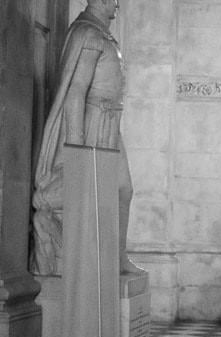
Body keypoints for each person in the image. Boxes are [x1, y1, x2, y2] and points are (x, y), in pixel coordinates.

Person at [32, 0, 140, 275]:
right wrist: (76, 145)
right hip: (94, 121)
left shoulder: (101, 34)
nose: (116, 5)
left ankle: (116, 256)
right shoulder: (88, 34)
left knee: (122, 189)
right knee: (93, 192)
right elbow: (76, 91)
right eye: (111, 0)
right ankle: (51, 213)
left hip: (110, 121)